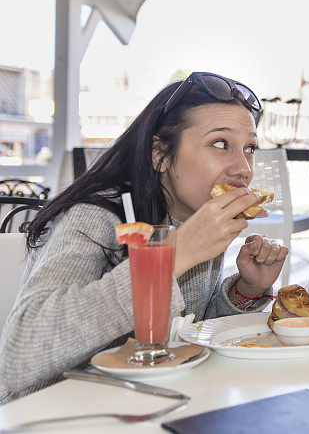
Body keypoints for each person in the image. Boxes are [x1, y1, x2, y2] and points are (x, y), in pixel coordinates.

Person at [0, 72, 288, 402]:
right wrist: (173, 256)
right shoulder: (96, 217)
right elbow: (19, 356)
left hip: (146, 407)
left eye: (250, 148)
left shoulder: (196, 217)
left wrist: (243, 290)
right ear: (160, 154)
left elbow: (183, 337)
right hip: (52, 414)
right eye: (221, 144)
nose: (244, 168)